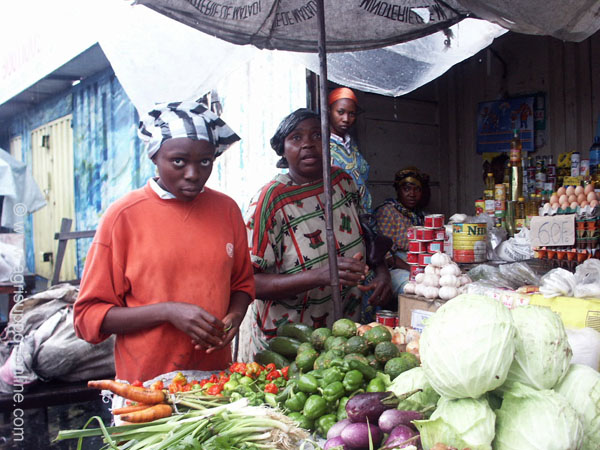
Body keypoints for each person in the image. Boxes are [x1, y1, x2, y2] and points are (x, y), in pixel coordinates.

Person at [73, 100, 255, 383]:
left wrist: (235, 314)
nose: (194, 174)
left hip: (215, 383)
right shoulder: (123, 216)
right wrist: (168, 311)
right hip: (145, 386)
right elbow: (88, 318)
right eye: (178, 161)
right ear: (155, 157)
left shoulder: (227, 210)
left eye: (205, 161)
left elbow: (242, 284)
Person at [239, 108, 392, 360]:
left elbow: (365, 231)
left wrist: (382, 271)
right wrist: (322, 275)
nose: (308, 144)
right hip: (289, 344)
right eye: (296, 138)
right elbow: (250, 282)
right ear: (282, 148)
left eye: (317, 136)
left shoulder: (342, 181)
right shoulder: (271, 200)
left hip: (343, 332)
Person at [374, 167, 430, 296]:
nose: (412, 194)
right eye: (407, 189)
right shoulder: (388, 211)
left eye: (417, 189)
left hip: (417, 264)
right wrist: (411, 269)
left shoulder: (418, 215)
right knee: (414, 288)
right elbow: (386, 255)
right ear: (398, 190)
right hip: (396, 267)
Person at [328, 87, 373, 214]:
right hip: (338, 216)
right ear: (329, 111)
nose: (346, 119)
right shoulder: (322, 145)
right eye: (340, 112)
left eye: (351, 114)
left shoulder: (352, 145)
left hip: (362, 215)